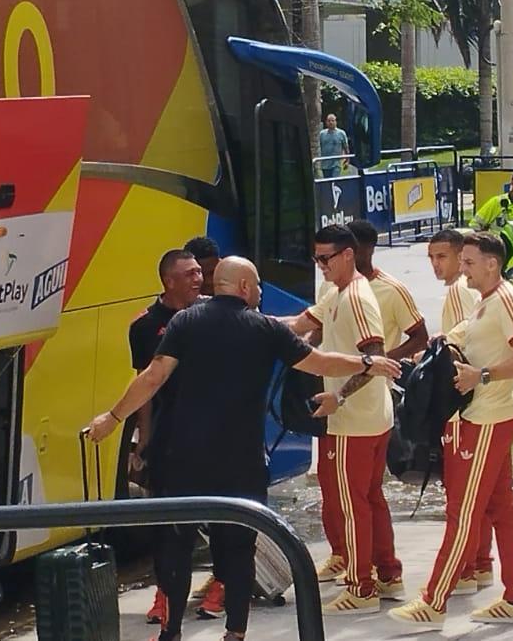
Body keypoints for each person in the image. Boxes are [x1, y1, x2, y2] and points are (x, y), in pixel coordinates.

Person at [84, 257, 402, 641]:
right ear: (246, 288)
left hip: (184, 458)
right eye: (259, 286)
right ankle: (235, 633)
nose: (263, 293)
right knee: (237, 550)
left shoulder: (185, 322)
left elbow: (153, 377)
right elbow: (320, 362)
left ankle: (171, 632)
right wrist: (367, 362)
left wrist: (112, 418)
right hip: (241, 461)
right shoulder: (264, 327)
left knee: (176, 547)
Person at [388, 232, 513, 628]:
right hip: (489, 415)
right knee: (500, 510)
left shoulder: (505, 300)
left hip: (487, 418)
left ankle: (433, 601)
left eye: (469, 262)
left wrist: (481, 375)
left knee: (463, 512)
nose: (463, 269)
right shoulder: (486, 300)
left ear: (492, 263)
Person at [279, 225, 403, 615]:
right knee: (370, 500)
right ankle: (387, 574)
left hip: (356, 421)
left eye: (325, 259)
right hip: (368, 418)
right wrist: (253, 319)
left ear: (348, 255)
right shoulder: (335, 292)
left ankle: (360, 588)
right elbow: (299, 325)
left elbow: (376, 357)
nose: (320, 267)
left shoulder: (357, 298)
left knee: (353, 506)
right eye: (316, 259)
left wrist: (338, 396)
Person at [126, 249, 208, 626]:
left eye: (199, 273)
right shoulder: (144, 326)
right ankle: (165, 593)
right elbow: (145, 383)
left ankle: (220, 583)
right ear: (168, 281)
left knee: (221, 513)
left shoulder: (211, 314)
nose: (198, 279)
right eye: (189, 274)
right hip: (169, 436)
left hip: (212, 432)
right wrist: (143, 438)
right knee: (164, 520)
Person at [426, 228, 496, 594]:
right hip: (486, 403)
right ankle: (481, 563)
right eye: (431, 258)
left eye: (443, 257)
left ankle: (466, 569)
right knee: (484, 496)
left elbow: (457, 350)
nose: (437, 265)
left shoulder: (458, 291)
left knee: (461, 494)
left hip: (464, 409)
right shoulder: (474, 292)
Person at [348, 219, 429, 361]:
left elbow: (420, 338)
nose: (346, 255)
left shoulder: (392, 290)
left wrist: (383, 361)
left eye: (352, 249)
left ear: (370, 249)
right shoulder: (331, 285)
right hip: (335, 378)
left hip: (376, 382)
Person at [318, 114, 350, 178]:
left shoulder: (341, 133)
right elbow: (319, 147)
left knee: (334, 181)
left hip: (336, 164)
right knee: (327, 183)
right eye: (329, 121)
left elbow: (346, 147)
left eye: (333, 120)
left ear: (336, 122)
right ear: (326, 122)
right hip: (325, 164)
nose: (331, 122)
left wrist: (347, 161)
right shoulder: (322, 134)